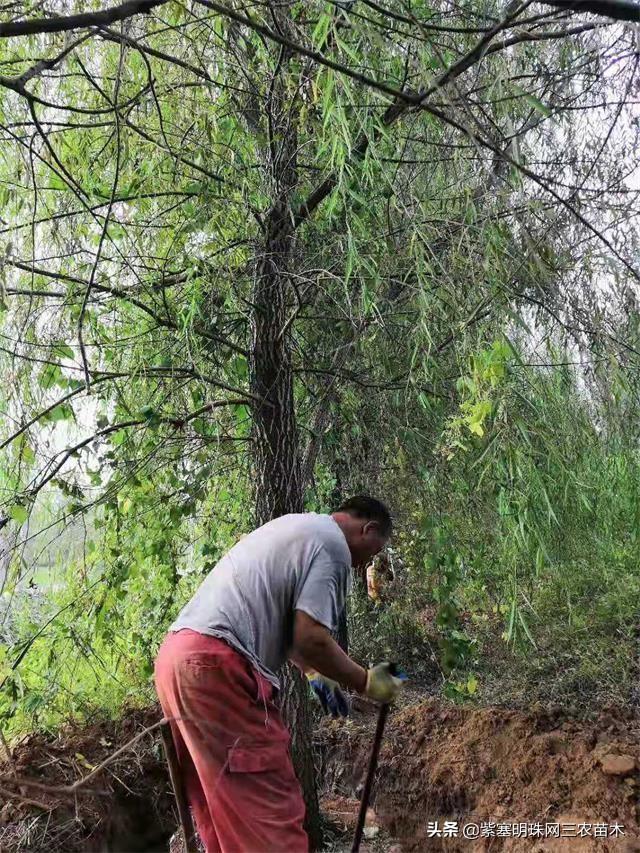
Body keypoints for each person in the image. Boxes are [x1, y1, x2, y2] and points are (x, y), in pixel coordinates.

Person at [154, 495, 405, 853]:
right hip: (216, 668)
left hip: (178, 660)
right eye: (371, 552)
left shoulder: (296, 527)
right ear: (368, 529)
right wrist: (367, 681)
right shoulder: (332, 543)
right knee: (270, 815)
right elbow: (310, 638)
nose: (363, 563)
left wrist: (318, 676)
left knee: (225, 811)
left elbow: (292, 639)